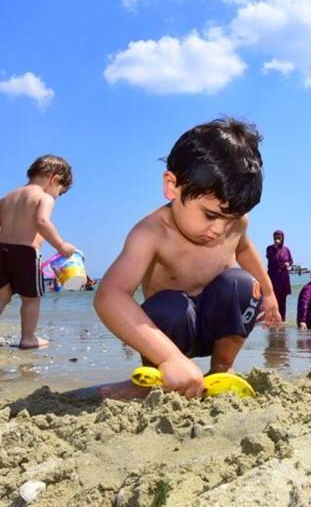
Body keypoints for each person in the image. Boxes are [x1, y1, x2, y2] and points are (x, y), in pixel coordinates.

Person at [93, 118, 281, 399]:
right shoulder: (151, 232)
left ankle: (221, 370)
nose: (219, 229)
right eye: (210, 215)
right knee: (170, 306)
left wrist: (268, 293)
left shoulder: (235, 221)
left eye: (230, 218)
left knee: (241, 284)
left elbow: (243, 249)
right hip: (170, 335)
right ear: (172, 186)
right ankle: (155, 380)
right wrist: (169, 357)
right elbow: (109, 295)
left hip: (217, 327)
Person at [0, 155, 76, 349]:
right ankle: (28, 338)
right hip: (26, 253)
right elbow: (41, 222)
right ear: (54, 180)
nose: (56, 196)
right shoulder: (44, 197)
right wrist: (61, 245)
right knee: (31, 299)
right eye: (59, 192)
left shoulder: (6, 197)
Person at [265, 230, 294, 322]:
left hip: (284, 277)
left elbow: (291, 261)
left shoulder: (286, 249)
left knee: (283, 301)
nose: (277, 238)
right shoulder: (269, 249)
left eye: (279, 237)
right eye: (275, 237)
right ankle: (272, 320)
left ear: (282, 238)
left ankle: (282, 321)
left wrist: (288, 264)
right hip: (273, 276)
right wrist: (276, 247)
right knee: (273, 299)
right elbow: (272, 259)